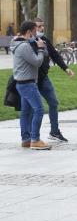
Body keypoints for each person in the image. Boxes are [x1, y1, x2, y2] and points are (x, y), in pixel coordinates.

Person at [33, 18, 75, 142]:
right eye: (39, 26)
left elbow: (55, 55)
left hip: (44, 77)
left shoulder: (44, 40)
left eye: (42, 26)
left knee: (53, 102)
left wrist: (66, 68)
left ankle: (54, 131)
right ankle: (30, 136)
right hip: (32, 79)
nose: (41, 28)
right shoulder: (29, 42)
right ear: (32, 28)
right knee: (33, 108)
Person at [10, 21, 50, 150]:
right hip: (27, 83)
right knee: (39, 110)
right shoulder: (24, 46)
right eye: (34, 31)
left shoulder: (17, 44)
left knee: (26, 112)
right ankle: (35, 139)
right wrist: (40, 48)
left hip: (22, 83)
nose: (36, 34)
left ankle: (26, 139)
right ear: (28, 32)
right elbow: (37, 62)